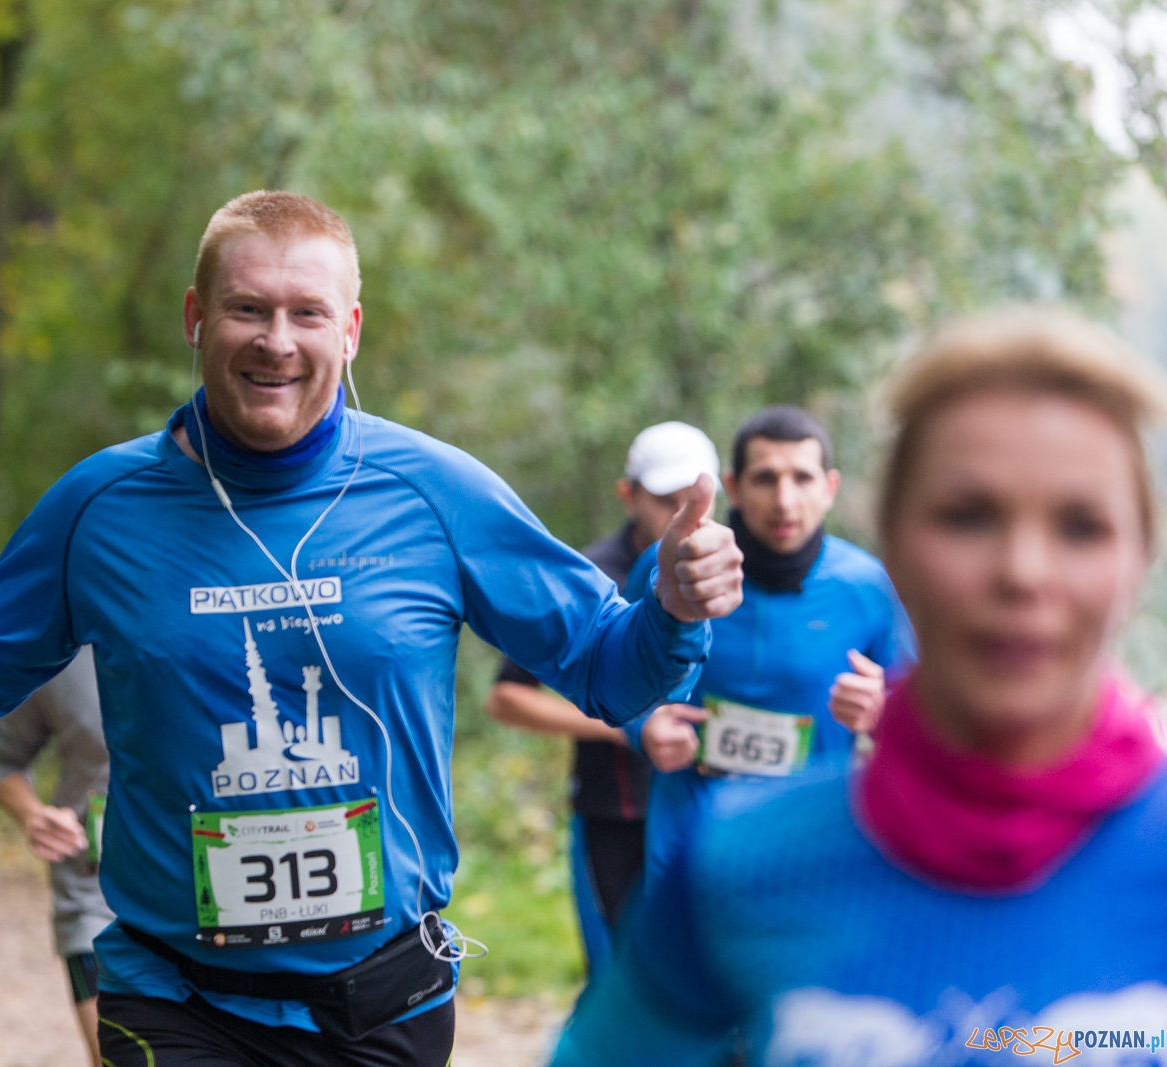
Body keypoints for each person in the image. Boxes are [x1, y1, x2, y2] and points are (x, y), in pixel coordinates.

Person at [0, 190, 745, 1067]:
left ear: (349, 330)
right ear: (195, 317)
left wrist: (673, 610)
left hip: (381, 999)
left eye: (305, 312)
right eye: (246, 307)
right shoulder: (102, 506)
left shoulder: (435, 492)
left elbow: (611, 673)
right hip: (172, 996)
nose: (276, 338)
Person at [553, 307, 1167, 1066]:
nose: (1023, 573)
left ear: (1143, 551)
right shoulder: (739, 865)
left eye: (1081, 525)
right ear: (895, 540)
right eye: (967, 516)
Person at [624, 405, 913, 891]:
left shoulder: (867, 589)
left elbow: (929, 725)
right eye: (765, 479)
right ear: (733, 487)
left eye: (802, 478)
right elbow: (616, 672)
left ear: (830, 488)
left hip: (810, 853)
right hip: (690, 847)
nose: (784, 500)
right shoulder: (676, 565)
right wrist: (643, 726)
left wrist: (882, 712)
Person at [483, 421, 719, 975]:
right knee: (624, 979)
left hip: (705, 811)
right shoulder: (585, 576)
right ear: (627, 494)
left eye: (694, 499)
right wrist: (626, 725)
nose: (681, 515)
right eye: (665, 500)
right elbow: (507, 699)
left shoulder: (725, 573)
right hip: (618, 811)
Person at [0, 646, 114, 1067]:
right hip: (92, 892)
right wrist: (33, 815)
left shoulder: (205, 621)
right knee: (114, 1057)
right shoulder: (56, 648)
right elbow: (5, 763)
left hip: (198, 892)